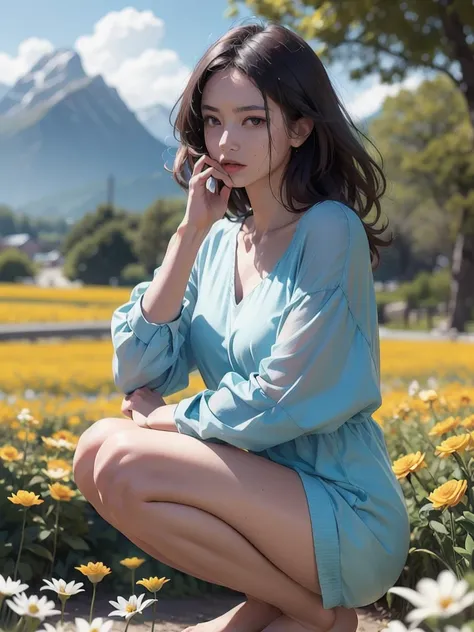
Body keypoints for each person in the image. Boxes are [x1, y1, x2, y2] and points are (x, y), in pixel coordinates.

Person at [73, 20, 410, 632]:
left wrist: (170, 417)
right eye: (212, 119)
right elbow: (138, 370)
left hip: (341, 509)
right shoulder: (218, 241)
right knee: (94, 450)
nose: (227, 139)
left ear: (302, 127)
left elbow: (286, 394)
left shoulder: (330, 231)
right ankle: (288, 610)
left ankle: (320, 613)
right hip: (261, 500)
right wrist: (190, 232)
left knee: (123, 458)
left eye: (253, 120)